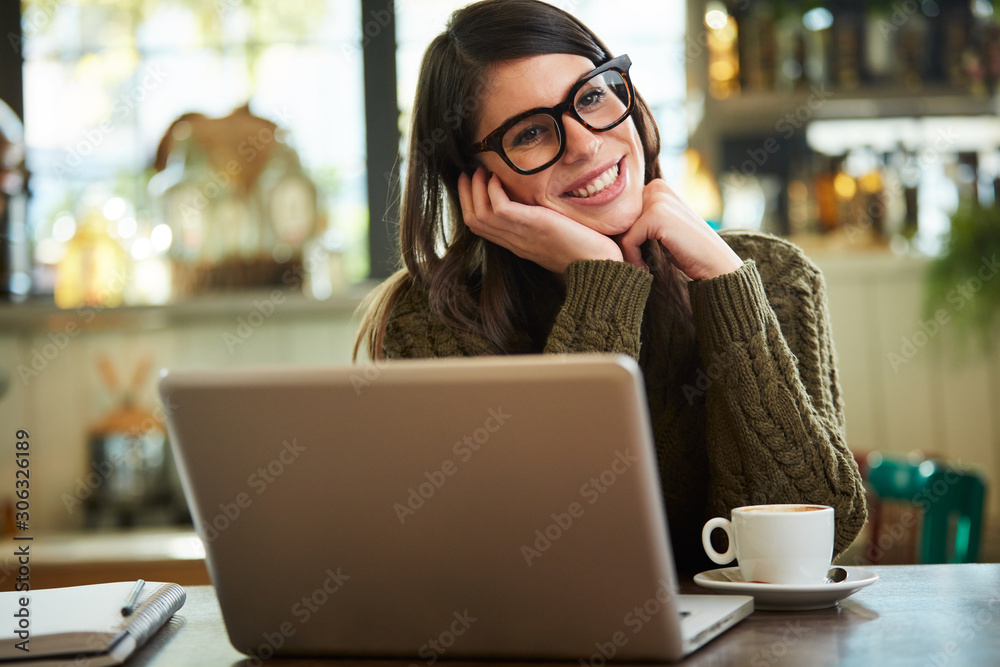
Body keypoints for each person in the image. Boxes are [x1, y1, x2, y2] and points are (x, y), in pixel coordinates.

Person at [354, 0, 867, 572]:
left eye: (592, 95)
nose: (584, 144)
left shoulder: (770, 275)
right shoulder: (432, 321)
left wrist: (726, 286)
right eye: (529, 133)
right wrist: (603, 285)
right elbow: (541, 558)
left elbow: (822, 528)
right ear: (476, 181)